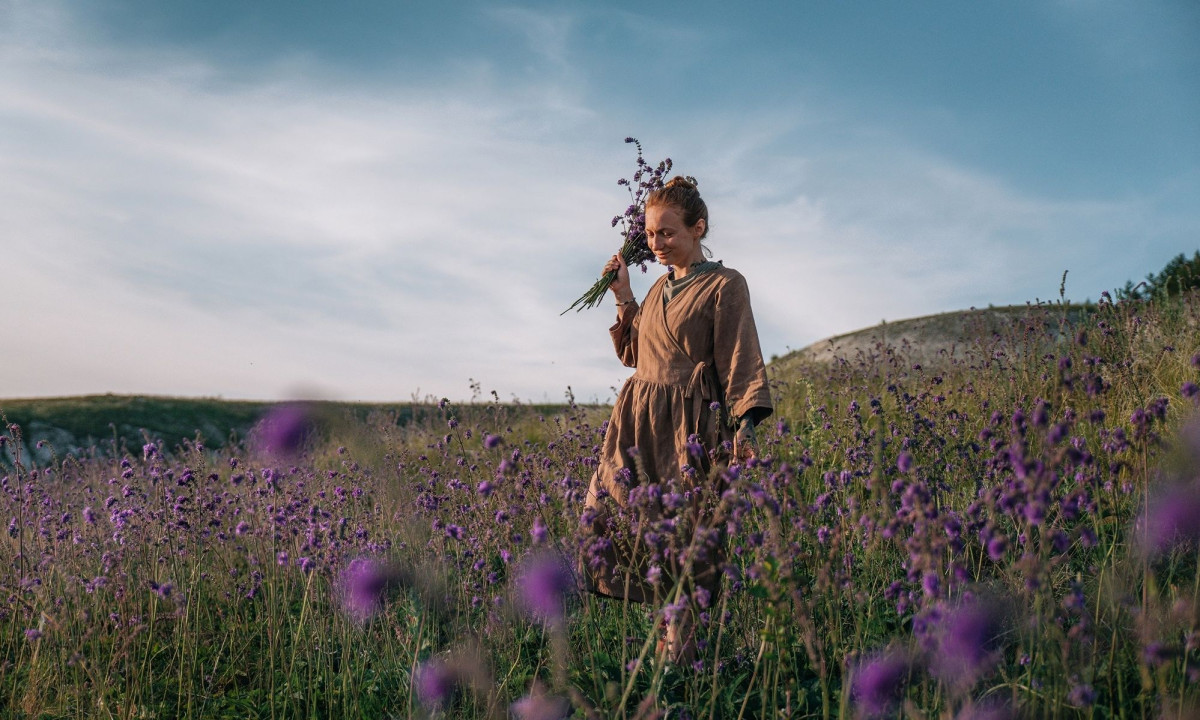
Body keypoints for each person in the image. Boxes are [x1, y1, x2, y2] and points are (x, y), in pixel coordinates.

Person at [581, 175, 773, 663]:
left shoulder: (725, 284)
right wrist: (624, 294)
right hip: (637, 424)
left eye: (666, 233)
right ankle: (673, 660)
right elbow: (633, 354)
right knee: (630, 526)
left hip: (689, 429)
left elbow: (739, 355)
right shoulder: (657, 291)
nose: (656, 243)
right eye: (649, 234)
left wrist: (745, 426)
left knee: (684, 544)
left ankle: (679, 668)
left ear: (698, 227)